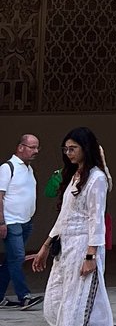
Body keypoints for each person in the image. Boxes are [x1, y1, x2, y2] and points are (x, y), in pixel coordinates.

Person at [26, 127, 116, 326]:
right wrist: (45, 246)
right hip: (65, 249)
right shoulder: (75, 176)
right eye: (65, 149)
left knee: (72, 311)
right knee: (54, 308)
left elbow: (96, 219)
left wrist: (91, 256)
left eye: (73, 149)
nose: (68, 154)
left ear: (85, 148)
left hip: (83, 250)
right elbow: (64, 217)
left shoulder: (97, 179)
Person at [0, 133, 43, 310]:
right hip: (11, 222)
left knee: (12, 260)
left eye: (37, 147)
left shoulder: (28, 168)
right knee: (17, 258)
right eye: (32, 147)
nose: (36, 151)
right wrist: (1, 222)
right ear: (20, 147)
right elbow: (0, 196)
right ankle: (24, 296)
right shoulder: (7, 167)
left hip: (26, 221)